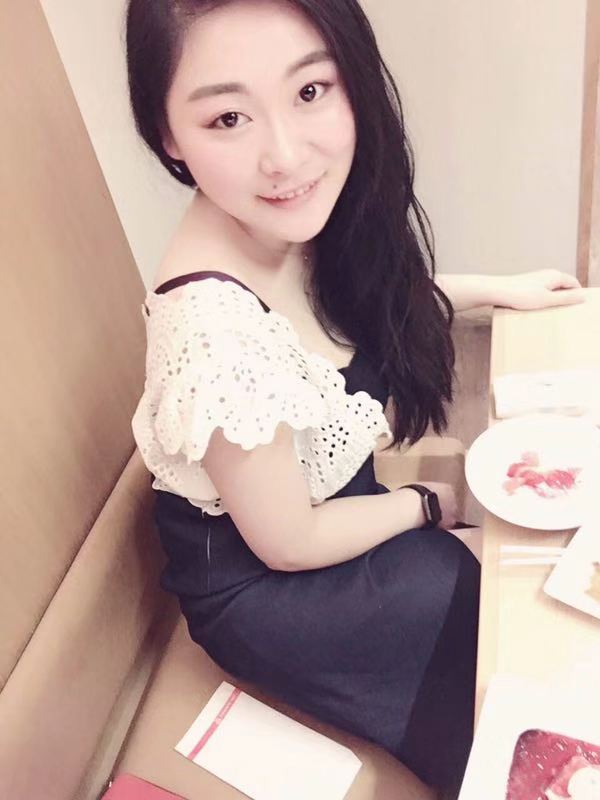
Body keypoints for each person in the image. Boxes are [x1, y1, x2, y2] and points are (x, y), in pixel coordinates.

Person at [125, 0, 585, 795]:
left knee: (515, 591)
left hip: (324, 515)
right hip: (266, 584)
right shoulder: (213, 334)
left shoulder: (274, 219)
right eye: (228, 118)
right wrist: (427, 504)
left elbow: (360, 304)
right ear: (167, 134)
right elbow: (288, 542)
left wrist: (497, 289)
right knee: (484, 627)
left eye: (310, 92)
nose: (285, 156)